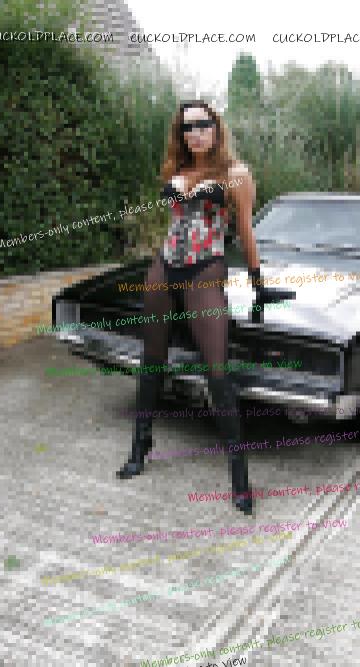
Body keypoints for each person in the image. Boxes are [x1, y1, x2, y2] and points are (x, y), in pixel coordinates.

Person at [116, 100, 266, 515]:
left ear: (216, 128)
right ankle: (140, 445)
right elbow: (174, 222)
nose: (196, 133)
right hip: (165, 267)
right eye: (187, 127)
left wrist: (258, 283)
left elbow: (246, 231)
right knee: (151, 361)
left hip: (205, 267)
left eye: (203, 124)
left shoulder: (236, 174)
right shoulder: (175, 170)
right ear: (180, 134)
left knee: (217, 371)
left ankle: (239, 477)